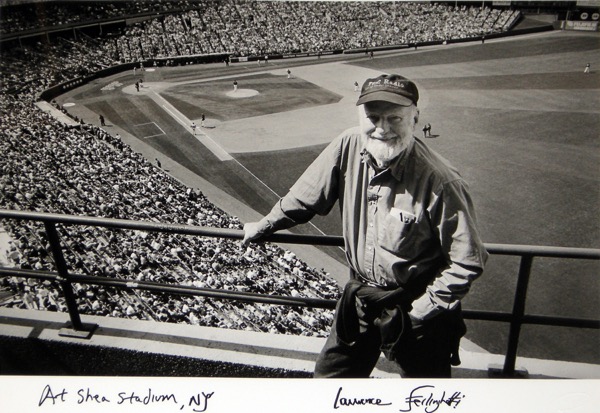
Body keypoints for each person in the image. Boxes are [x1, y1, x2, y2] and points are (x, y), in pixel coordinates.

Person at [242, 73, 488, 378]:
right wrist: (265, 224)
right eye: (373, 117)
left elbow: (467, 260)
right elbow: (304, 197)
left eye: (394, 118)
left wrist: (421, 312)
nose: (382, 129)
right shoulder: (348, 144)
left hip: (415, 305)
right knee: (329, 380)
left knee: (426, 394)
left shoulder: (441, 181)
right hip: (359, 298)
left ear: (415, 118)